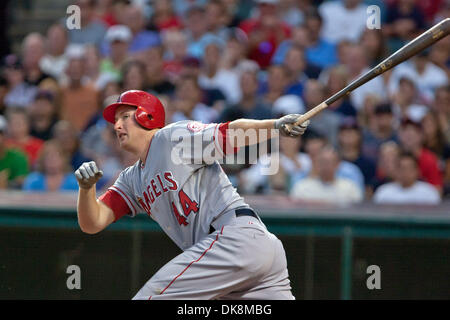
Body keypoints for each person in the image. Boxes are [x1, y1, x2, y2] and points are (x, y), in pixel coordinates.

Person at [74, 90, 309, 299]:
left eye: (124, 117)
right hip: (237, 253)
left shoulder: (171, 138)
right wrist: (86, 190)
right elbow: (93, 223)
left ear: (147, 116)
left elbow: (228, 134)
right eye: (115, 120)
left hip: (235, 238)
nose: (116, 126)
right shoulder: (130, 179)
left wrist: (274, 126)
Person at [290, 145, 363, 204]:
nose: (325, 166)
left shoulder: (350, 188)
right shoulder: (302, 187)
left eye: (329, 162)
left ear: (337, 164)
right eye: (322, 162)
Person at [373, 152, 441, 205]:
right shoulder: (383, 192)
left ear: (417, 171)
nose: (405, 172)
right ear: (396, 170)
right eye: (402, 168)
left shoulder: (429, 193)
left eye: (409, 168)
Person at [0, 115, 29, 189]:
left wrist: (5, 183)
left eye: (1, 133)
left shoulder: (18, 157)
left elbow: (22, 182)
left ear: (5, 135)